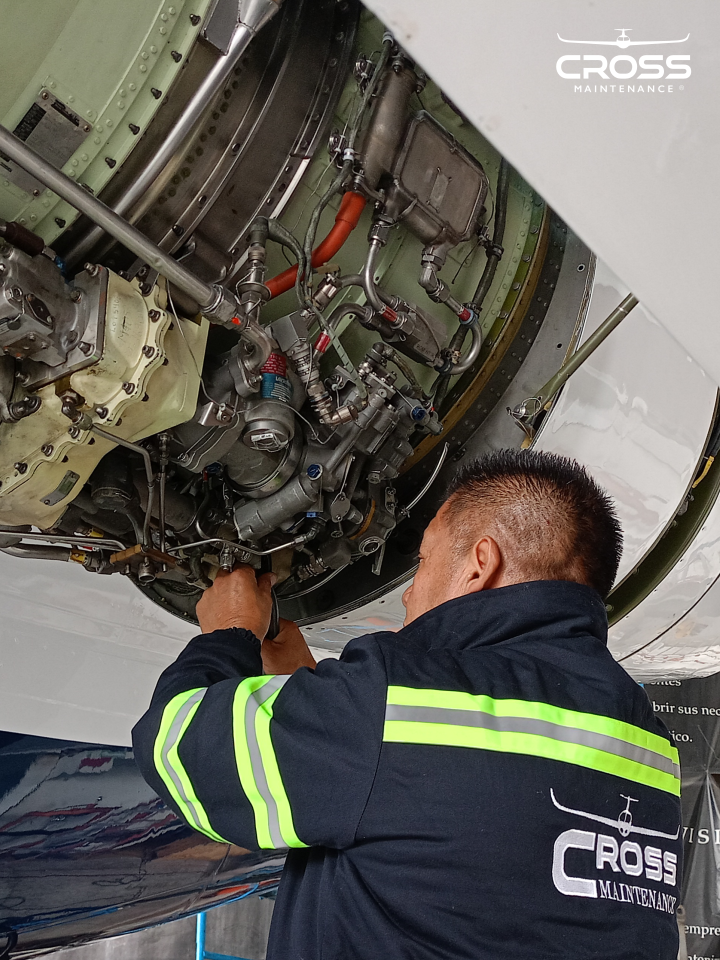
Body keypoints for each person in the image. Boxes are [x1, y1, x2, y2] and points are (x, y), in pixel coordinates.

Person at [132, 449, 682, 959]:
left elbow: (176, 743)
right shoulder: (646, 743)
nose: (409, 593)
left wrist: (229, 632)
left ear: (480, 563)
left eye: (422, 561)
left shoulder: (394, 700)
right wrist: (311, 692)